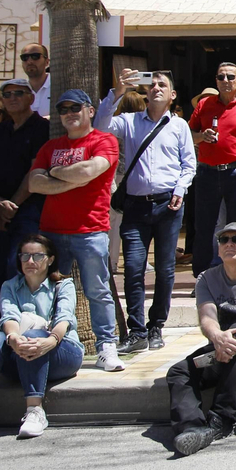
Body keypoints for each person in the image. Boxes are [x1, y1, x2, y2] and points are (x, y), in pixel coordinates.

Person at [97, 69, 196, 357]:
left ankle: (156, 327)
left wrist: (180, 190)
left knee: (165, 271)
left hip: (168, 205)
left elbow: (188, 165)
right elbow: (101, 126)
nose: (155, 88)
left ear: (172, 95)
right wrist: (116, 93)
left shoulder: (179, 126)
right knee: (133, 269)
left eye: (162, 85)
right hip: (136, 206)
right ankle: (137, 331)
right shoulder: (128, 122)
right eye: (151, 85)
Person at [27, 89, 122, 372]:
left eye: (75, 107)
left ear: (90, 110)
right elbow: (34, 183)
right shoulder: (50, 147)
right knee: (51, 291)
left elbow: (91, 169)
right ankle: (54, 341)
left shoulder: (104, 140)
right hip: (52, 231)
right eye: (63, 109)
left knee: (97, 291)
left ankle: (107, 347)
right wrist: (76, 178)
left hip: (90, 230)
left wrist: (54, 172)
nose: (69, 113)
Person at [0, 231, 83, 440]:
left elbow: (64, 320)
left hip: (61, 351)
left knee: (32, 335)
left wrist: (49, 342)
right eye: (24, 256)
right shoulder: (10, 286)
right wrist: (13, 338)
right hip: (22, 351)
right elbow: (9, 317)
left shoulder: (63, 285)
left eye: (37, 256)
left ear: (50, 260)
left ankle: (35, 410)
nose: (30, 261)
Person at [167, 221, 236, 456]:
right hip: (221, 351)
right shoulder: (206, 278)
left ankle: (221, 421)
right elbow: (207, 317)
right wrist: (218, 337)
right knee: (180, 371)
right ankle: (191, 429)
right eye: (224, 239)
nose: (229, 244)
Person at [187, 63, 236, 274]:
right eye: (220, 77)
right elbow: (187, 135)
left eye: (230, 77)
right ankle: (202, 277)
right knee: (203, 229)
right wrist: (201, 136)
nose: (225, 81)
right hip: (207, 172)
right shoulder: (204, 105)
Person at [18, 43, 52, 117]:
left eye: (35, 56)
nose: (29, 61)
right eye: (25, 57)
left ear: (47, 62)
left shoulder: (59, 86)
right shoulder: (18, 90)